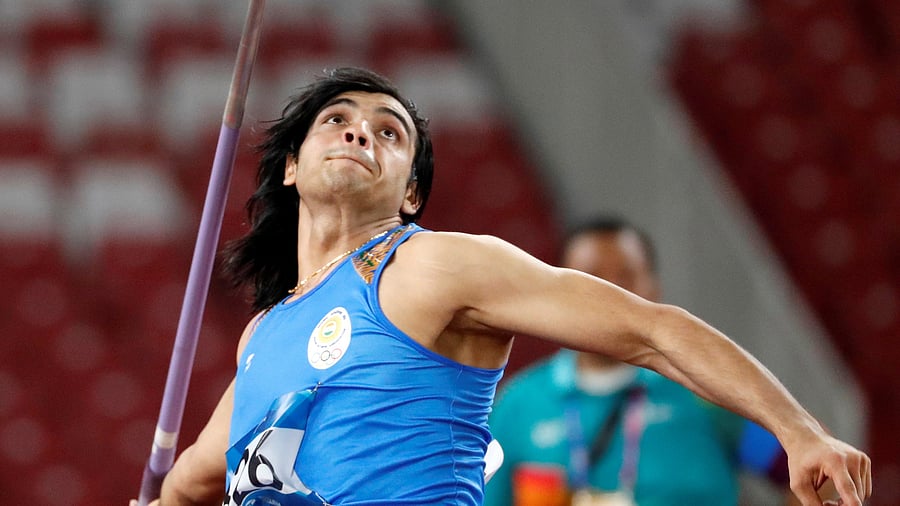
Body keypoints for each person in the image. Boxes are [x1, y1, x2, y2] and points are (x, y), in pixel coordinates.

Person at [135, 67, 870, 506]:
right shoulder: (265, 335)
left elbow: (650, 330)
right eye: (337, 120)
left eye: (390, 132)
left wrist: (797, 430)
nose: (361, 133)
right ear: (291, 168)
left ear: (412, 194)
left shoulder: (434, 267)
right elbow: (196, 476)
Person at [484, 216, 803, 506]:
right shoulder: (518, 407)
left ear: (654, 289)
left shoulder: (707, 393)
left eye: (626, 277)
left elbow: (813, 478)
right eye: (589, 279)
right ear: (556, 295)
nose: (610, 295)